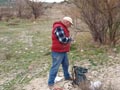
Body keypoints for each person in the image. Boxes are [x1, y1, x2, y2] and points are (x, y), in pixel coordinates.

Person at [48, 16, 73, 90]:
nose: (70, 26)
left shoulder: (62, 27)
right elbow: (63, 40)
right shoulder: (59, 27)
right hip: (57, 52)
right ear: (67, 22)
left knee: (66, 64)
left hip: (63, 51)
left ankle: (67, 76)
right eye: (70, 24)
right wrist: (70, 39)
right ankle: (51, 83)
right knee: (55, 67)